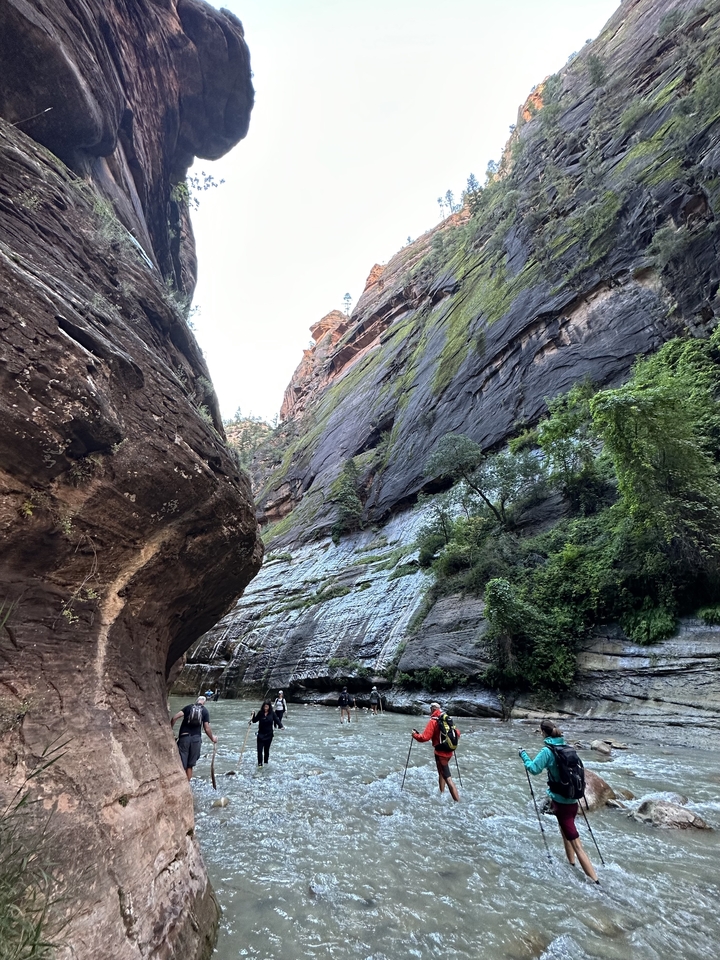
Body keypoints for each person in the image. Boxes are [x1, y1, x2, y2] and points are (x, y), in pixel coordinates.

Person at [519, 719, 599, 883]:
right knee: (565, 831)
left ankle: (596, 883)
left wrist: (523, 755)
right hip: (573, 800)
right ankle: (571, 864)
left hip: (561, 803)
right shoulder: (568, 748)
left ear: (543, 733)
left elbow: (534, 769)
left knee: (577, 844)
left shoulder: (547, 751)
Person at [412, 701, 460, 802]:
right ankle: (442, 793)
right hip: (449, 751)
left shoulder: (433, 721)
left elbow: (425, 737)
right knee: (442, 773)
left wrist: (414, 735)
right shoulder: (447, 719)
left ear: (432, 709)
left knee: (448, 778)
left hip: (440, 753)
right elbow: (457, 733)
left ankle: (458, 802)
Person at [171, 695, 217, 781]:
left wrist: (170, 731)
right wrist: (213, 738)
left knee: (182, 763)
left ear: (196, 700)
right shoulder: (205, 711)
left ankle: (181, 783)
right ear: (204, 702)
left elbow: (174, 718)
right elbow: (207, 728)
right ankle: (187, 785)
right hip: (196, 740)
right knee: (190, 765)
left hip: (184, 737)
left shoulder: (188, 707)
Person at [251, 700, 276, 766]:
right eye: (265, 706)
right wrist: (253, 715)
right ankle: (260, 764)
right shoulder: (260, 713)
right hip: (260, 735)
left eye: (267, 707)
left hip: (269, 735)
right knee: (259, 751)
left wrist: (281, 726)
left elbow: (277, 720)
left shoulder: (272, 713)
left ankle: (266, 763)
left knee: (266, 751)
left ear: (269, 707)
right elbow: (254, 721)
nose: (265, 708)